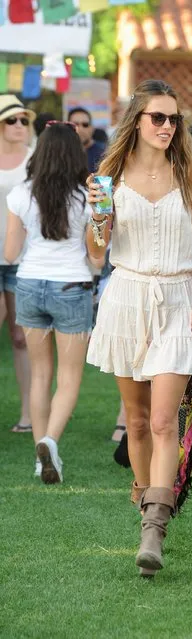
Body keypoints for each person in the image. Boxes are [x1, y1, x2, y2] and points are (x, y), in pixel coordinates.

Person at [86, 79, 192, 575]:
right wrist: (98, 218)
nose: (167, 127)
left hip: (180, 301)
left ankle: (153, 531)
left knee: (165, 421)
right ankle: (145, 499)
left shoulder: (191, 177)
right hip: (126, 298)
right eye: (157, 118)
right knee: (137, 422)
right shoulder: (108, 177)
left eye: (173, 119)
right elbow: (97, 252)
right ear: (137, 122)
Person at [4, 121, 95, 482]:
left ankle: (40, 457)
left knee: (40, 376)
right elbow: (98, 258)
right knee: (69, 377)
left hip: (28, 285)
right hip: (71, 286)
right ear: (76, 154)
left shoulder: (21, 194)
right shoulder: (87, 197)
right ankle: (50, 441)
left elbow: (10, 253)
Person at [0, 94, 34, 433]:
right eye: (12, 120)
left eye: (24, 120)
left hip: (23, 259)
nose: (20, 126)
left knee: (21, 338)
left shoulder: (34, 160)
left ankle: (27, 414)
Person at [68, 107, 104, 173]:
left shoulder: (104, 153)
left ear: (92, 128)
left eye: (85, 125)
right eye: (75, 125)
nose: (80, 129)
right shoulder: (61, 153)